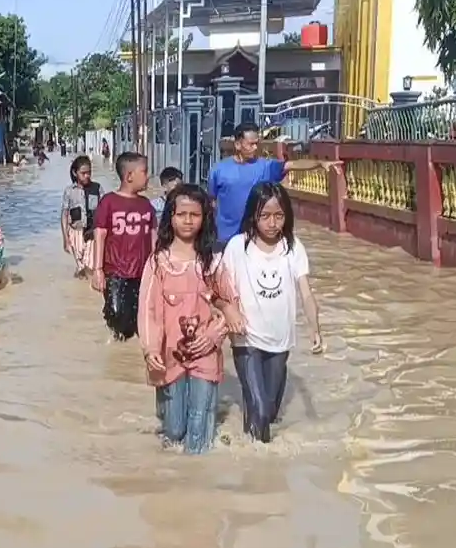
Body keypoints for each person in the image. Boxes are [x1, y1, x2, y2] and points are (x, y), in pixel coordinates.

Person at [139, 184, 245, 454]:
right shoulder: (158, 263)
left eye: (195, 215)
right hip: (168, 354)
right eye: (181, 214)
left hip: (206, 353)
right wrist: (151, 348)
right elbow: (148, 311)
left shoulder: (213, 263)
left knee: (199, 427)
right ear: (170, 217)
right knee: (174, 429)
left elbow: (230, 304)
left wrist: (214, 335)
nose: (188, 221)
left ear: (204, 218)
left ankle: (197, 472)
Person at [222, 182, 324, 444]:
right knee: (259, 406)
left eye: (279, 216)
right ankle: (257, 462)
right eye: (265, 215)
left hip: (280, 340)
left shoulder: (293, 248)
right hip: (246, 338)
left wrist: (315, 329)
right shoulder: (237, 246)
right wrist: (229, 311)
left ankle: (249, 448)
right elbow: (221, 288)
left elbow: (306, 292)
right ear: (253, 215)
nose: (272, 223)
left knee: (270, 410)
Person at [207, 122, 341, 245]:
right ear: (237, 145)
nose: (255, 148)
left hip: (255, 239)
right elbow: (211, 203)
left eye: (257, 144)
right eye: (251, 144)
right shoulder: (219, 170)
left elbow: (292, 165)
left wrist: (319, 163)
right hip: (225, 239)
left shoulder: (265, 167)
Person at [91, 151, 155, 340]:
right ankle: (116, 349)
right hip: (115, 272)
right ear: (129, 176)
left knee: (139, 319)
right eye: (145, 171)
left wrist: (156, 268)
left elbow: (154, 236)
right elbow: (100, 234)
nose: (148, 176)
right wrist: (97, 270)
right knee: (116, 314)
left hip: (141, 273)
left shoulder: (146, 205)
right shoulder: (108, 202)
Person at [60, 155, 102, 278]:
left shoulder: (97, 188)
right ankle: (79, 281)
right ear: (75, 173)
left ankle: (88, 284)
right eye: (83, 173)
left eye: (89, 172)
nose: (87, 176)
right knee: (81, 265)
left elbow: (105, 210)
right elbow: (64, 214)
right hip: (75, 232)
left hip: (92, 232)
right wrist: (65, 238)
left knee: (89, 264)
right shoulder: (69, 191)